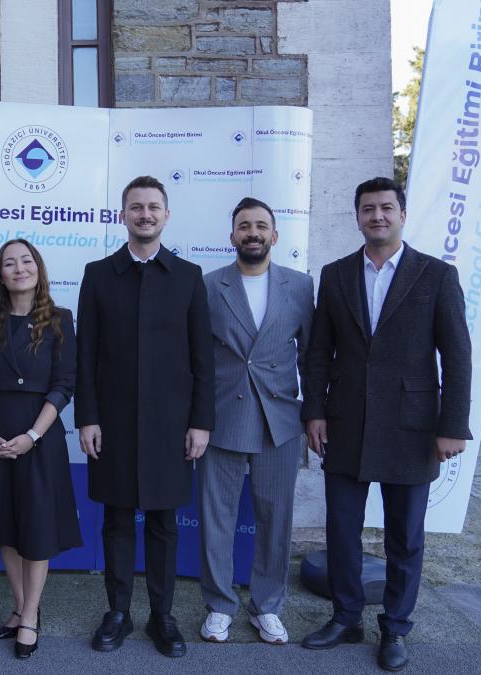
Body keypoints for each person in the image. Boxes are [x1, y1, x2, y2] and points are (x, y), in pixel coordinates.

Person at [300, 177, 472, 671]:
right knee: (342, 530)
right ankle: (346, 617)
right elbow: (318, 353)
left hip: (411, 426)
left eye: (386, 208)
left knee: (405, 537)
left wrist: (452, 425)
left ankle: (395, 627)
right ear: (357, 216)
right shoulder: (336, 275)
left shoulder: (437, 275)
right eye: (368, 209)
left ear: (402, 214)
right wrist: (314, 411)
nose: (377, 216)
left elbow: (457, 356)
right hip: (346, 422)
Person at [76, 175, 215, 658]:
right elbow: (86, 355)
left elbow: (203, 358)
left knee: (163, 523)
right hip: (112, 423)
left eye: (153, 207)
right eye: (136, 207)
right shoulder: (98, 274)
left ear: (166, 215)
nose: (145, 214)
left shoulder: (188, 276)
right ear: (123, 215)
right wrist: (87, 417)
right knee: (116, 520)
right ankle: (118, 612)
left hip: (171, 426)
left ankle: (162, 615)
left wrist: (201, 422)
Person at [197, 197, 314, 645]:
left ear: (274, 235)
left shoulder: (300, 286)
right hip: (222, 416)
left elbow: (313, 357)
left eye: (261, 225)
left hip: (279, 420)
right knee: (216, 518)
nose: (253, 232)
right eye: (244, 225)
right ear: (232, 236)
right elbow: (195, 359)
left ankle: (267, 606)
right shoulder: (209, 285)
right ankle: (219, 606)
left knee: (276, 519)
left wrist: (315, 413)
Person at [0, 239, 81, 660]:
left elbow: (64, 384)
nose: (19, 268)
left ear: (39, 268)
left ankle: (31, 614)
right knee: (6, 527)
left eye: (26, 261)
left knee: (36, 528)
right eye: (10, 263)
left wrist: (32, 435)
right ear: (0, 273)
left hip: (39, 438)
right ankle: (20, 606)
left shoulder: (60, 319)